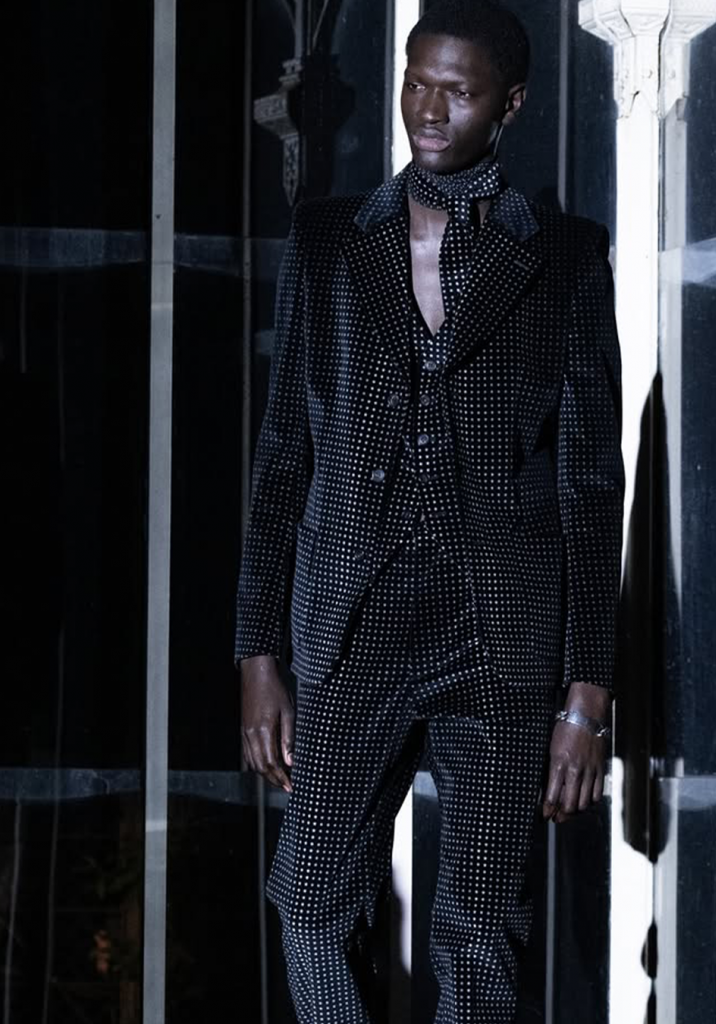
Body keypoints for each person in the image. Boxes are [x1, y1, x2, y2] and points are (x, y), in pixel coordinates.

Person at [236, 1, 624, 1020]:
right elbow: (283, 458)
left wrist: (586, 698)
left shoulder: (566, 259)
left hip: (496, 637)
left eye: (459, 90)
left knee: (478, 931)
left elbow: (590, 492)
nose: (429, 108)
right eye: (417, 82)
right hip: (351, 624)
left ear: (510, 104)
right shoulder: (327, 241)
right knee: (310, 904)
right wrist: (258, 655)